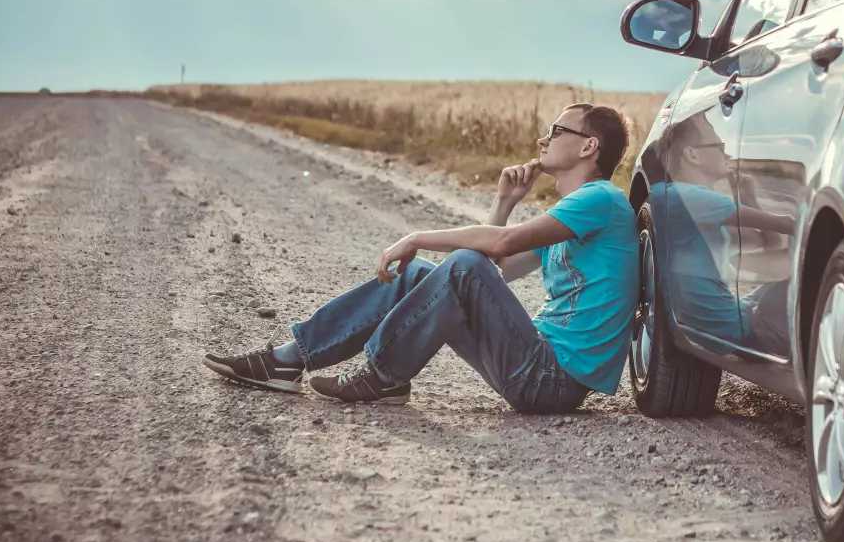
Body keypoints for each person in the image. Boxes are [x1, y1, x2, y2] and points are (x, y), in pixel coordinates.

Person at [201, 104, 639, 414]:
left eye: (558, 131)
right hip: (533, 365)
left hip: (551, 381)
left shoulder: (600, 199)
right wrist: (504, 202)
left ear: (588, 147)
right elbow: (494, 273)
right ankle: (289, 358)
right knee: (417, 273)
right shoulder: (572, 213)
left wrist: (418, 236)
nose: (545, 138)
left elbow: (490, 253)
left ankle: (384, 373)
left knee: (459, 263)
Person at [655, 112, 794, 352]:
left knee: (787, 281)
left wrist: (747, 197)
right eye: (719, 146)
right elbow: (787, 223)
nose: (727, 153)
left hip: (738, 317)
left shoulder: (690, 208)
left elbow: (770, 248)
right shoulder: (679, 196)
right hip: (739, 326)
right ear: (692, 154)